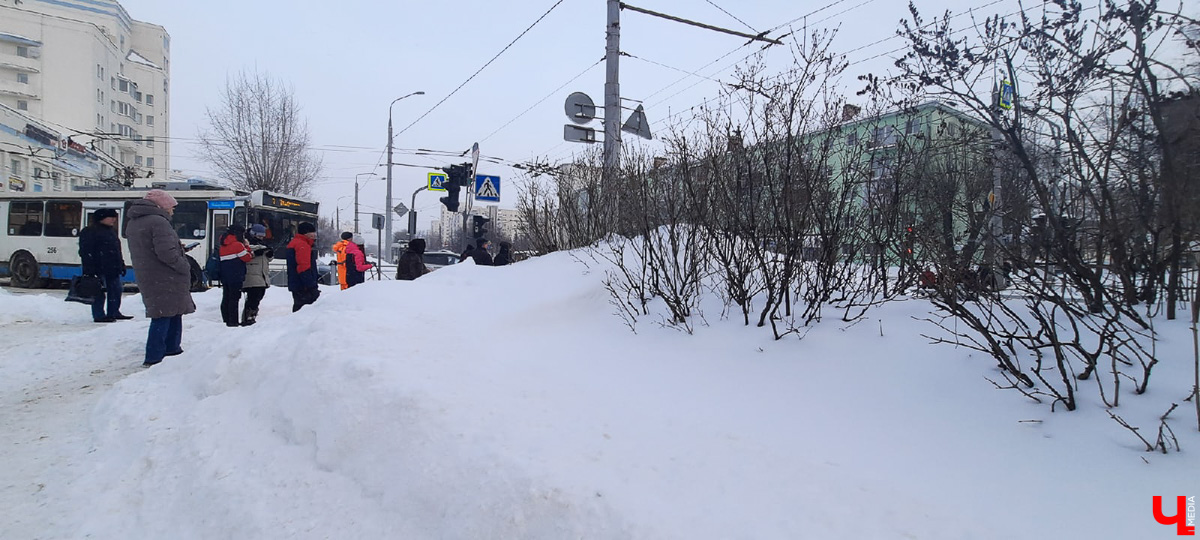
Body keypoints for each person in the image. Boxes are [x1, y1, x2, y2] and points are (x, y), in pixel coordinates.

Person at [126, 189, 195, 367]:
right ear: (162, 206)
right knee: (166, 315)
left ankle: (168, 351)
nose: (173, 211)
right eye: (171, 207)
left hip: (150, 274)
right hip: (166, 276)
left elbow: (150, 248)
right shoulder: (158, 222)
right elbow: (165, 253)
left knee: (167, 313)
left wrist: (177, 249)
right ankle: (159, 354)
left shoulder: (134, 222)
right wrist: (183, 265)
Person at [78, 208, 132, 322]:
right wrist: (90, 269)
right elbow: (85, 251)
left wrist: (121, 264)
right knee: (98, 292)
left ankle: (114, 312)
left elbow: (116, 250)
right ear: (101, 218)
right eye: (111, 217)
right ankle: (99, 315)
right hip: (98, 268)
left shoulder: (111, 231)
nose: (114, 219)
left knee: (116, 291)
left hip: (113, 268)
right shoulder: (89, 232)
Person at [217, 224, 253, 327]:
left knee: (226, 297)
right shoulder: (238, 245)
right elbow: (247, 257)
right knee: (234, 299)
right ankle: (233, 321)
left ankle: (226, 319)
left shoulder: (223, 244)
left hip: (225, 275)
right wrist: (247, 246)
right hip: (236, 275)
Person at [240, 224, 273, 326]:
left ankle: (251, 315)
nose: (261, 238)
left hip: (262, 274)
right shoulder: (246, 243)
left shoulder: (264, 245)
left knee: (258, 296)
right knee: (253, 297)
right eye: (259, 236)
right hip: (251, 274)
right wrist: (257, 252)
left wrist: (269, 255)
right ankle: (248, 317)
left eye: (262, 236)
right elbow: (245, 254)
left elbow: (266, 259)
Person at [286, 221, 320, 312]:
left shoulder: (295, 243)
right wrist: (311, 285)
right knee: (305, 310)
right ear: (306, 233)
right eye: (312, 232)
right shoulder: (302, 245)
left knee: (298, 306)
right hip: (303, 285)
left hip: (297, 283)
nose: (315, 234)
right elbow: (303, 267)